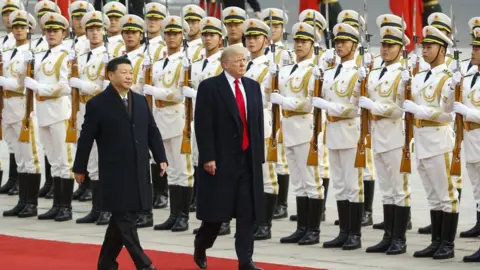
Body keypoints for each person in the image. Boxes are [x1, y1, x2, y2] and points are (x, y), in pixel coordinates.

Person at [73, 57, 167, 270]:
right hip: (115, 170)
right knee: (124, 218)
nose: (128, 76)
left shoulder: (141, 100)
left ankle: (106, 262)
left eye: (130, 72)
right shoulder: (98, 104)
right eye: (123, 72)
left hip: (139, 168)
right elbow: (86, 138)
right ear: (110, 75)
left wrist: (161, 157)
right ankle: (143, 263)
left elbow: (152, 130)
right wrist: (80, 167)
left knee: (124, 217)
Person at [193, 45, 265, 270]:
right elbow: (203, 124)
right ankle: (201, 245)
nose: (243, 64)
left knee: (247, 214)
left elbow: (257, 124)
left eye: (245, 60)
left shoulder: (252, 87)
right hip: (221, 161)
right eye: (238, 60)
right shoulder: (210, 87)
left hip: (246, 160)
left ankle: (245, 260)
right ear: (225, 64)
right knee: (216, 215)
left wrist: (258, 156)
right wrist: (208, 157)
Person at [403, 25, 458, 260]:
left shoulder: (447, 79)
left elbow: (447, 115)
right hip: (422, 140)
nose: (424, 50)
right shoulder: (420, 76)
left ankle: (447, 244)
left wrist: (421, 111)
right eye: (424, 45)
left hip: (438, 140)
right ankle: (436, 241)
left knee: (447, 195)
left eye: (430, 46)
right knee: (433, 195)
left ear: (442, 50)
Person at [358, 17, 411, 255]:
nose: (386, 49)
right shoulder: (375, 71)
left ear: (401, 48)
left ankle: (399, 238)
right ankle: (388, 235)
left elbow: (400, 108)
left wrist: (374, 107)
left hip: (395, 136)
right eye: (383, 44)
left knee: (399, 189)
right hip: (378, 135)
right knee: (387, 189)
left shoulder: (404, 73)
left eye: (391, 45)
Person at [269, 21, 324, 246]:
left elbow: (309, 104)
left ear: (313, 44)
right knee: (299, 183)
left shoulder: (314, 70)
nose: (299, 45)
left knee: (311, 181)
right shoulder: (289, 68)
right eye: (297, 41)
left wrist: (284, 101)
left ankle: (313, 229)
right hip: (288, 129)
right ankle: (301, 228)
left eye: (304, 41)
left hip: (305, 129)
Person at [313, 22, 363, 250]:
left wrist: (329, 107)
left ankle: (355, 234)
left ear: (354, 44)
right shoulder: (331, 72)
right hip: (333, 133)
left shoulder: (359, 73)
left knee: (353, 185)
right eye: (337, 42)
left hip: (350, 132)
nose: (339, 45)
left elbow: (356, 109)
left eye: (344, 42)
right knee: (341, 185)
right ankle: (344, 231)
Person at [24, 12, 77, 222]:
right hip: (43, 111)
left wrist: (40, 87)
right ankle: (57, 205)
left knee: (65, 161)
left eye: (55, 31)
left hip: (59, 112)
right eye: (48, 30)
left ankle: (66, 206)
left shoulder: (66, 56)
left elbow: (66, 87)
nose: (51, 34)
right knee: (54, 161)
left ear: (64, 33)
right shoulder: (43, 54)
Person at [145, 15, 195, 233]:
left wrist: (154, 91)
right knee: (171, 171)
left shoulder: (186, 62)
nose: (171, 37)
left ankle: (183, 216)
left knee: (182, 170)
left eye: (175, 33)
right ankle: (174, 215)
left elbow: (179, 93)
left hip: (178, 120)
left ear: (182, 36)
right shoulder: (159, 62)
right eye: (168, 33)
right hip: (160, 118)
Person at [0, 10, 43, 218]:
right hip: (8, 107)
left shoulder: (32, 53)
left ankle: (31, 203)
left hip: (24, 108)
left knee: (30, 157)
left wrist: (4, 82)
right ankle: (22, 201)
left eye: (22, 27)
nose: (18, 30)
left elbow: (24, 85)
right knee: (18, 157)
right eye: (15, 27)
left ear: (29, 29)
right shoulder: (7, 53)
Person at [72, 10, 112, 226]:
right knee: (92, 163)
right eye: (91, 29)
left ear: (104, 31)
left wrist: (81, 84)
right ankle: (96, 209)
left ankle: (106, 209)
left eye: (98, 29)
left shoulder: (109, 55)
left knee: (102, 161)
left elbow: (105, 87)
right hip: (84, 110)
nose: (95, 33)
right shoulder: (82, 55)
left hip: (101, 111)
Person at [243, 18, 277, 241]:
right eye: (249, 37)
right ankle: (253, 219)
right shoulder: (242, 64)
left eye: (256, 37)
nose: (252, 41)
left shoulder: (269, 67)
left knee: (266, 176)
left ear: (266, 40)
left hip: (261, 124)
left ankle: (264, 223)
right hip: (242, 124)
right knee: (248, 176)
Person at [69, 0, 95, 203]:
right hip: (77, 103)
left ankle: (93, 192)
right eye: (75, 17)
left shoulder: (91, 46)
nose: (78, 22)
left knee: (94, 151)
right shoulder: (73, 44)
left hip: (93, 102)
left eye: (81, 17)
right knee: (81, 145)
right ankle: (84, 184)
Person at [458, 17, 480, 240]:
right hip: (472, 143)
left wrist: (467, 112)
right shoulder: (471, 77)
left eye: (477, 48)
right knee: (478, 192)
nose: (472, 51)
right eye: (473, 47)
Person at [0, 0, 23, 196]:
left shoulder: (20, 44)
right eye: (6, 14)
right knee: (9, 142)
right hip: (5, 99)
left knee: (21, 144)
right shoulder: (3, 40)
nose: (9, 18)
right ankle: (13, 178)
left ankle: (18, 181)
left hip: (18, 98)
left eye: (12, 14)